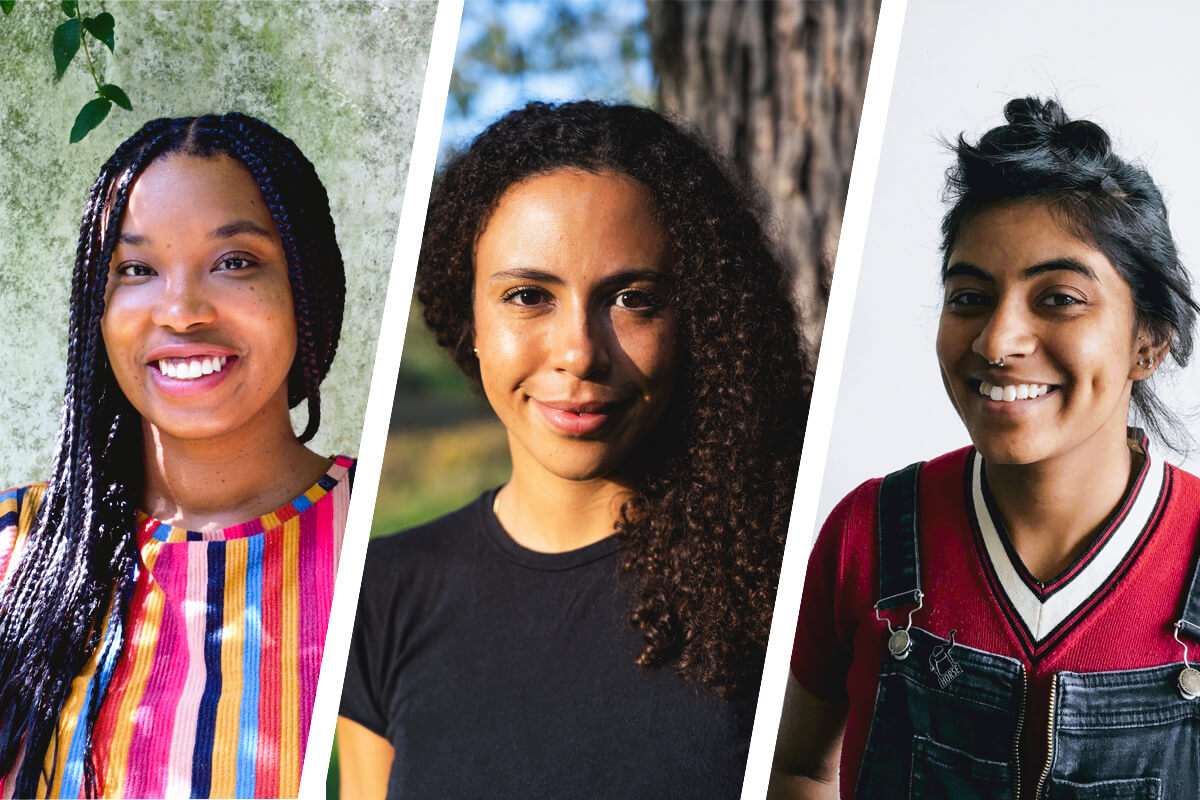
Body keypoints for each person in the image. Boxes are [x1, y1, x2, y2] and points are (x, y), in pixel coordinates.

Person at [338, 100, 809, 799]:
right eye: (529, 295)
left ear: (700, 319)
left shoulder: (778, 578)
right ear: (468, 316)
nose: (580, 352)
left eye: (632, 299)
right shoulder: (379, 593)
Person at [771, 97, 1200, 799]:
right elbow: (797, 766)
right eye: (970, 297)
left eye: (1059, 298)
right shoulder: (867, 535)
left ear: (1149, 341)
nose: (998, 343)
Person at [0, 113, 351, 799]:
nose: (182, 310)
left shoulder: (378, 541)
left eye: (235, 262)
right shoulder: (15, 550)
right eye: (136, 269)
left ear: (308, 291)